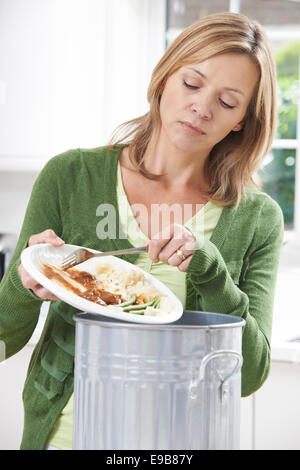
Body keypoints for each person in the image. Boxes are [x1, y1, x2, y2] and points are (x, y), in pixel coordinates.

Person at [0, 12, 283, 450]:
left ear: (242, 120)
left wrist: (210, 272)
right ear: (165, 77)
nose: (201, 108)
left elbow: (249, 376)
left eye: (227, 103)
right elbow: (3, 339)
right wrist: (24, 285)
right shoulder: (70, 175)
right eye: (191, 84)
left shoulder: (258, 217)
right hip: (66, 437)